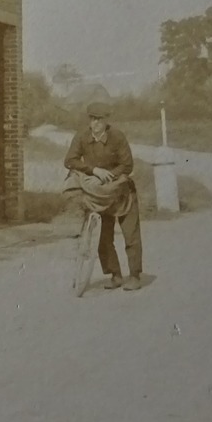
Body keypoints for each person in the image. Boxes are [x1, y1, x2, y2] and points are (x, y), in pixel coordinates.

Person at [64, 101, 144, 291]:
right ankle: (115, 275)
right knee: (103, 237)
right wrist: (94, 170)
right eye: (92, 118)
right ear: (89, 120)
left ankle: (134, 275)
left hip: (122, 192)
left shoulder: (117, 137)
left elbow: (127, 165)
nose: (96, 123)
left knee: (130, 235)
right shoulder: (82, 137)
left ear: (106, 120)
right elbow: (70, 160)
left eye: (100, 119)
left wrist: (111, 176)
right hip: (99, 194)